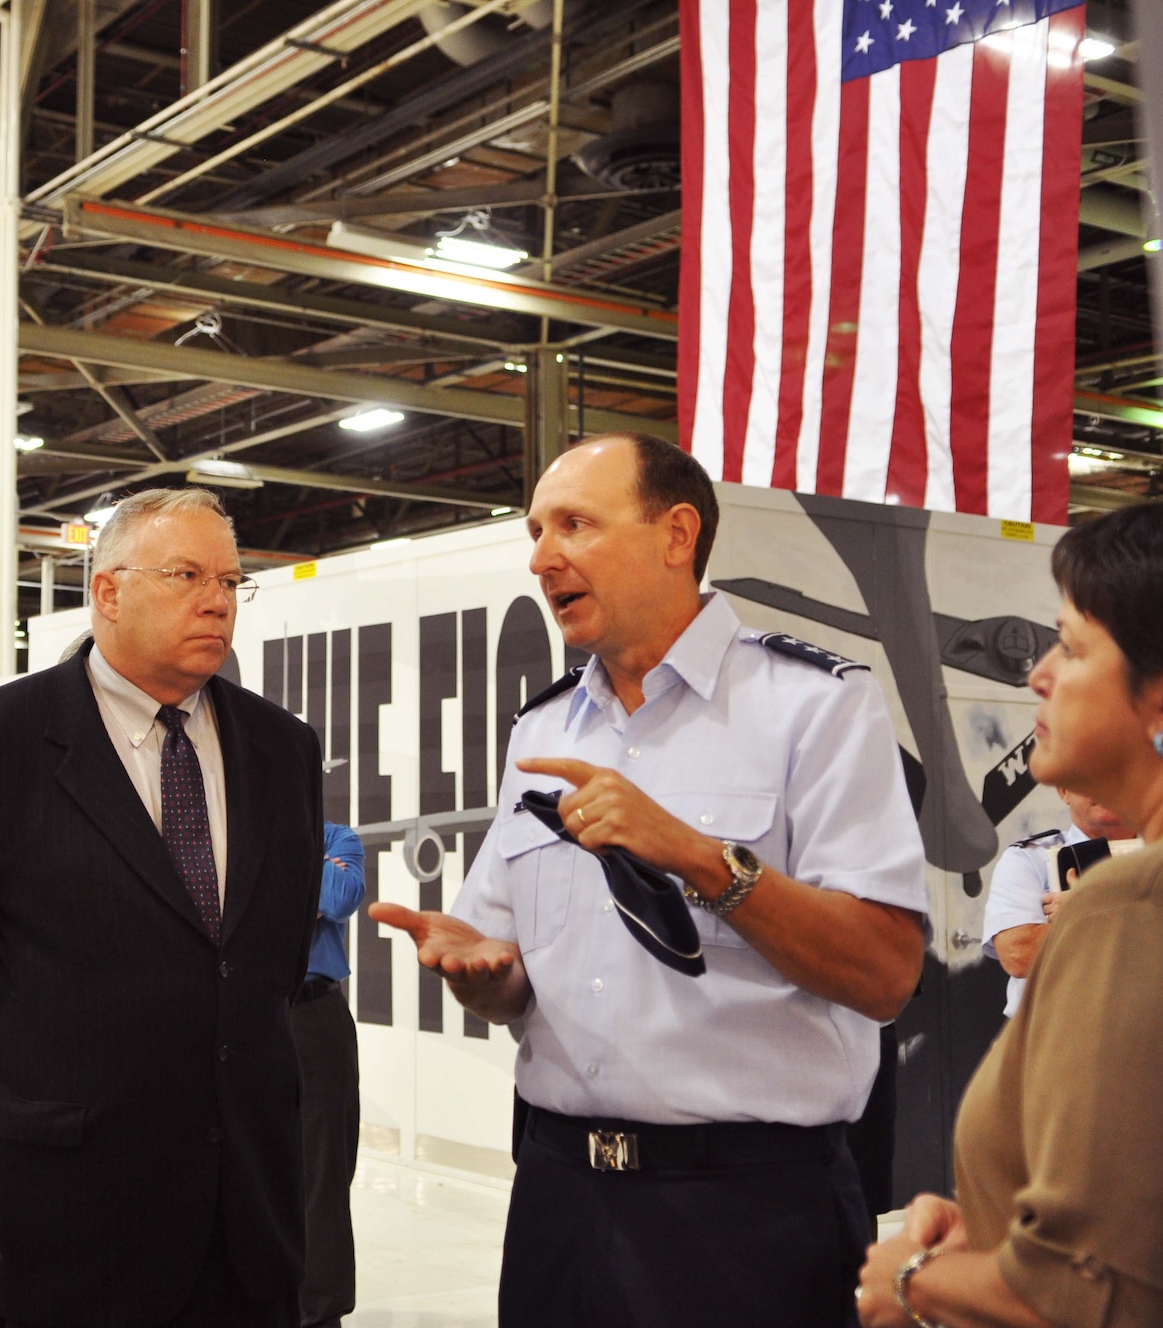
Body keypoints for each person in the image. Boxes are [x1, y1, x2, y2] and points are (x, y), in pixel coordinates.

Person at [373, 433, 930, 1328]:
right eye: (536, 531)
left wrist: (701, 857)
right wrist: (484, 973)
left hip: (749, 1216)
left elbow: (884, 973)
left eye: (575, 525)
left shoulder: (814, 705)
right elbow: (516, 970)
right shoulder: (543, 732)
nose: (540, 556)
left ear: (677, 534)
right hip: (560, 1200)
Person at [0, 487, 324, 1328]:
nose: (216, 600)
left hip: (248, 1229)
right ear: (107, 592)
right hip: (63, 1230)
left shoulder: (283, 749)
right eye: (187, 574)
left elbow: (258, 966)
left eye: (233, 582)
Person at [858, 502, 1163, 1328]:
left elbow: (1083, 1293)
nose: (1039, 673)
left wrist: (908, 1278)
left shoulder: (1130, 905)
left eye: (1071, 643)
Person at [980, 788, 1137, 1018]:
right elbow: (1019, 955)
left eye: (1117, 770)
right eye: (1088, 773)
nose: (1103, 782)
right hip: (1055, 1037)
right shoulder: (1027, 860)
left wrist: (1083, 915)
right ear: (1064, 790)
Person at [296, 823, 364, 1328]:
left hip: (316, 1019)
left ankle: (318, 1315)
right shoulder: (238, 831)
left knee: (324, 1176)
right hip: (249, 1017)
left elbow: (340, 897)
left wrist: (289, 868)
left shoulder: (339, 838)